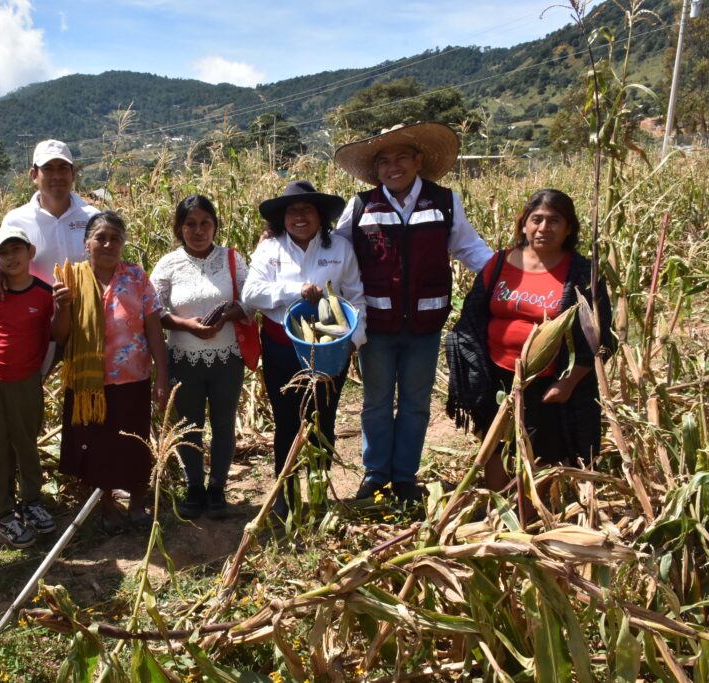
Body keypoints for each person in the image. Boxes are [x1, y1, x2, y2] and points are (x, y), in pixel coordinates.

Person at [334, 122, 493, 504]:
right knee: (374, 403)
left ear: (418, 160)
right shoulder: (359, 206)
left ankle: (404, 477)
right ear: (377, 171)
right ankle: (375, 476)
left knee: (415, 404)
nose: (393, 166)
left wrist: (506, 277)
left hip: (424, 327)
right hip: (376, 327)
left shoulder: (444, 202)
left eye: (401, 157)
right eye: (384, 161)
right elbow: (333, 254)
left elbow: (471, 249)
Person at [445, 189, 615, 493]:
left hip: (547, 381)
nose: (543, 228)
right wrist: (473, 373)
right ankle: (499, 505)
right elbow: (471, 320)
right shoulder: (498, 264)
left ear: (569, 228)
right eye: (536, 219)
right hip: (496, 375)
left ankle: (536, 512)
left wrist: (569, 382)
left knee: (543, 447)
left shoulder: (581, 273)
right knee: (493, 443)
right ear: (524, 224)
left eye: (554, 221)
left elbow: (600, 337)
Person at [242, 180, 367, 519]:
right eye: (291, 211)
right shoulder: (270, 250)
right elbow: (251, 293)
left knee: (323, 420)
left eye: (306, 210)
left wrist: (353, 341)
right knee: (286, 421)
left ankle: (319, 489)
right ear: (281, 218)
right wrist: (296, 291)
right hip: (282, 347)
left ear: (320, 215)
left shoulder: (339, 248)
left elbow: (356, 297)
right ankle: (285, 493)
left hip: (330, 348)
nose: (299, 217)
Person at [52, 211, 169, 535]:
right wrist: (62, 307)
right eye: (100, 237)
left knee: (134, 445)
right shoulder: (71, 279)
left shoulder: (136, 277)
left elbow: (154, 330)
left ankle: (136, 504)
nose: (107, 243)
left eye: (115, 238)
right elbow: (60, 336)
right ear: (87, 242)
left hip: (134, 380)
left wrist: (162, 376)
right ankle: (107, 508)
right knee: (98, 448)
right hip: (91, 385)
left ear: (123, 243)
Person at [150, 195, 250, 520]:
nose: (198, 230)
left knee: (223, 424)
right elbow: (153, 310)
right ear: (179, 228)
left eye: (205, 222)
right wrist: (184, 325)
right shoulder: (168, 264)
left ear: (215, 225)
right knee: (188, 426)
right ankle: (194, 486)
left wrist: (226, 315)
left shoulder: (232, 259)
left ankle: (217, 488)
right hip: (183, 357)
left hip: (227, 358)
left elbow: (249, 301)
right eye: (190, 224)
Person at [0, 225, 59, 548]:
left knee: (26, 443)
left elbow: (51, 338)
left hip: (26, 381)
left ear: (30, 253)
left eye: (17, 250)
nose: (11, 257)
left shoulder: (43, 294)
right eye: (3, 253)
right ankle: (4, 511)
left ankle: (32, 501)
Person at [0, 139, 100, 284]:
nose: (57, 176)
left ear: (73, 173)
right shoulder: (15, 222)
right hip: (35, 306)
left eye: (63, 168)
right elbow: (2, 269)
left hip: (86, 307)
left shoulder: (93, 218)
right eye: (48, 168)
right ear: (34, 175)